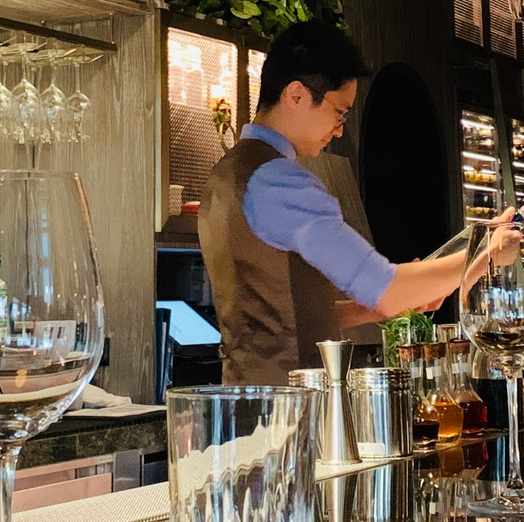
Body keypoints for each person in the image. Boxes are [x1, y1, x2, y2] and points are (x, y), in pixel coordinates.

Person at [199, 21, 477, 385]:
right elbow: (387, 288)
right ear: (297, 95)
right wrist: (483, 253)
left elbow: (279, 317)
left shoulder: (229, 173)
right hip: (294, 411)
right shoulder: (280, 181)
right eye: (340, 112)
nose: (340, 129)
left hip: (249, 404)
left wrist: (369, 309)